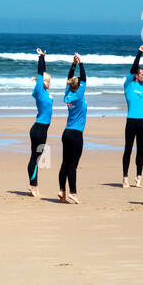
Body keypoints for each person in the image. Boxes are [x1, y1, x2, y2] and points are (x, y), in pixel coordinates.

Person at [59, 54, 87, 204]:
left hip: (66, 133)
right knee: (73, 166)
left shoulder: (68, 95)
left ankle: (62, 191)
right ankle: (73, 193)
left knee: (65, 163)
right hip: (76, 134)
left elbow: (70, 80)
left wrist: (73, 64)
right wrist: (81, 63)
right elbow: (84, 79)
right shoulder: (79, 95)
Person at [122, 46, 143, 186]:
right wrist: (139, 52)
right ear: (136, 75)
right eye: (142, 74)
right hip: (131, 121)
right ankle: (125, 177)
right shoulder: (128, 84)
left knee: (141, 151)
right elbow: (134, 67)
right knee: (128, 149)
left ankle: (139, 177)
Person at [27, 50, 53, 195]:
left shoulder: (46, 93)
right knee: (35, 157)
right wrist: (41, 57)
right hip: (38, 129)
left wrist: (44, 59)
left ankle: (34, 184)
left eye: (50, 81)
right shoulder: (39, 91)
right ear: (42, 82)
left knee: (37, 157)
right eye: (47, 81)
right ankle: (33, 185)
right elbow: (41, 72)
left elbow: (44, 73)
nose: (49, 83)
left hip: (43, 129)